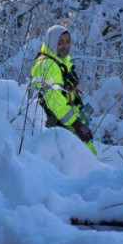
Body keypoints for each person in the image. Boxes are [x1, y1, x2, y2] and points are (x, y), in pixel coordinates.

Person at [31, 25, 97, 155]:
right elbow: (55, 102)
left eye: (67, 41)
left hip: (67, 120)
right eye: (60, 42)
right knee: (81, 157)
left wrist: (81, 117)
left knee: (86, 155)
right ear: (51, 42)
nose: (65, 46)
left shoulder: (61, 62)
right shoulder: (47, 65)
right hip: (58, 125)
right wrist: (77, 125)